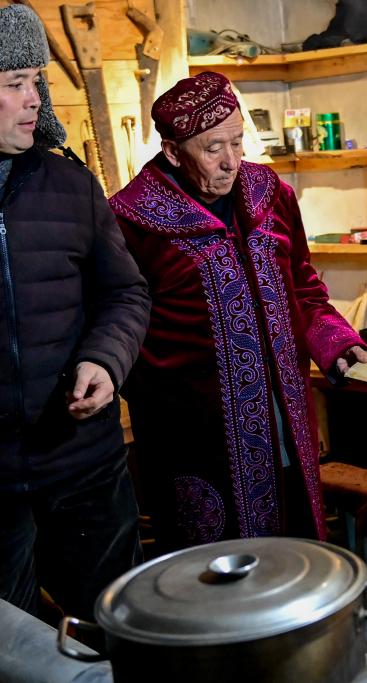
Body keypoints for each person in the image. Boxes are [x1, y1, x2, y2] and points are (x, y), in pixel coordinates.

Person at [110, 72, 367, 551]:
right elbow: (118, 322)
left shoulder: (270, 194)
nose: (232, 161)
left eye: (237, 142)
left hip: (285, 416)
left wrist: (335, 340)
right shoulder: (132, 220)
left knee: (298, 553)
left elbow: (303, 286)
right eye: (213, 149)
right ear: (173, 152)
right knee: (214, 566)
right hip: (196, 433)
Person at [0, 5, 150, 619]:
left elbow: (125, 293)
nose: (34, 98)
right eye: (15, 83)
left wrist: (105, 361)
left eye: (37, 80)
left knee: (116, 625)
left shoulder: (72, 186)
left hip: (83, 460)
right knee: (13, 646)